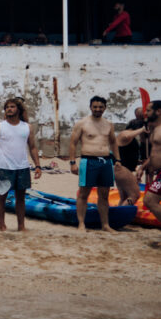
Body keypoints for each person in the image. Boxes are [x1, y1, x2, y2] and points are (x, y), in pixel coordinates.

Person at [0, 97, 42, 232]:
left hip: (22, 168)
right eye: (7, 107)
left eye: (12, 107)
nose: (9, 109)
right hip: (4, 168)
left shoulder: (27, 127)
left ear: (18, 109)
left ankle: (21, 226)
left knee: (21, 198)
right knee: (2, 197)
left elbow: (33, 147)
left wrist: (38, 166)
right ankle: (2, 225)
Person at [69, 95, 119, 232]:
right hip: (88, 160)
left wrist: (118, 160)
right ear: (90, 107)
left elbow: (114, 142)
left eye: (100, 107)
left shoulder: (109, 124)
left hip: (106, 161)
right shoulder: (82, 123)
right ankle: (81, 224)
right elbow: (73, 143)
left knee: (104, 194)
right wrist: (72, 162)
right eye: (95, 107)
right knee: (84, 193)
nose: (98, 109)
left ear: (105, 108)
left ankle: (105, 225)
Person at [137, 100, 161, 245]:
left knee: (150, 200)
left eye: (149, 110)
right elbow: (156, 153)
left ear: (159, 111)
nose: (146, 113)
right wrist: (143, 167)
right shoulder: (157, 129)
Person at [115, 108, 148, 205]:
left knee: (124, 197)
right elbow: (127, 136)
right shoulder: (124, 134)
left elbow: (127, 154)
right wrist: (142, 129)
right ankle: (122, 212)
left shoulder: (132, 139)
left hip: (122, 169)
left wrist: (139, 162)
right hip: (121, 169)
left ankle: (120, 212)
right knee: (134, 195)